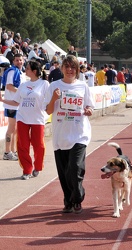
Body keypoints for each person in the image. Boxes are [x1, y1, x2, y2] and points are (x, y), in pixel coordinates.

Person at [44, 55, 95, 214]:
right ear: (62, 68)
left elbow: (90, 107)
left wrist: (88, 111)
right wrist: (54, 98)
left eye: (73, 67)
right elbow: (48, 110)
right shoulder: (54, 86)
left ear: (77, 70)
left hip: (79, 133)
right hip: (61, 135)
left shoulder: (83, 86)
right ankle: (68, 200)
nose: (70, 70)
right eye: (67, 66)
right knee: (64, 172)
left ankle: (77, 198)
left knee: (75, 167)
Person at [0, 60, 49, 180]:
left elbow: (50, 100)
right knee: (22, 145)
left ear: (34, 71)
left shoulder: (44, 84)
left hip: (37, 119)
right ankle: (27, 170)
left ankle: (38, 166)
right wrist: (2, 100)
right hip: (22, 118)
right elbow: (16, 102)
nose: (26, 70)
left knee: (39, 146)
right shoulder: (23, 85)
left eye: (28, 68)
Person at [2, 53, 26, 161]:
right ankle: (7, 152)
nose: (19, 62)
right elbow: (9, 86)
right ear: (13, 61)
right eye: (17, 60)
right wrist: (22, 92)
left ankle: (13, 151)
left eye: (20, 60)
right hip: (11, 104)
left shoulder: (20, 72)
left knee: (15, 129)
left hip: (17, 104)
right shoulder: (12, 71)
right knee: (11, 128)